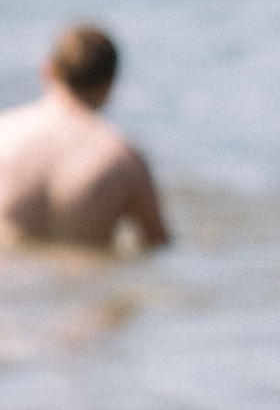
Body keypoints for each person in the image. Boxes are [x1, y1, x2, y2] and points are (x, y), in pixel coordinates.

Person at [0, 25, 172, 253]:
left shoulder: (5, 134)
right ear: (110, 83)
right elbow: (157, 247)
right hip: (86, 286)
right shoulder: (123, 159)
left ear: (49, 69)